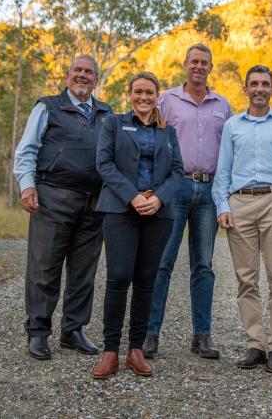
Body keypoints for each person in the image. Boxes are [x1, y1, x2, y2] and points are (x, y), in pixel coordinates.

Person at [13, 54, 112, 360]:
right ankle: (39, 332)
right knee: (45, 266)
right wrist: (27, 184)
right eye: (77, 71)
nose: (82, 76)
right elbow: (27, 149)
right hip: (53, 196)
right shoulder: (48, 106)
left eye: (89, 72)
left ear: (96, 79)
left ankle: (73, 330)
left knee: (84, 270)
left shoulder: (107, 113)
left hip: (94, 202)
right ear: (68, 75)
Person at [92, 71, 184, 379]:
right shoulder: (114, 124)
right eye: (138, 92)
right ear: (129, 94)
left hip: (158, 214)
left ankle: (135, 351)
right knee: (118, 277)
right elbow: (104, 164)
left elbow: (177, 172)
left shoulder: (167, 131)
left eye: (149, 93)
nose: (144, 97)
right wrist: (132, 196)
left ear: (158, 96)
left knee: (147, 280)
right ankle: (109, 352)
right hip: (121, 209)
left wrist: (158, 198)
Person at [143, 43, 232, 360]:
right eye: (193, 61)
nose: (198, 66)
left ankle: (202, 336)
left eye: (204, 62)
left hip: (208, 191)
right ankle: (150, 334)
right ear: (185, 64)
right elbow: (151, 140)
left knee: (204, 265)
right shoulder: (167, 100)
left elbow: (230, 152)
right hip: (173, 189)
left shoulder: (223, 105)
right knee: (162, 262)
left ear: (210, 67)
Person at [212, 65, 272, 374]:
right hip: (240, 204)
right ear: (246, 89)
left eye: (265, 84)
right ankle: (255, 344)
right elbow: (223, 168)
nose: (260, 88)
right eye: (254, 84)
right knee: (246, 278)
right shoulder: (233, 126)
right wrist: (222, 204)